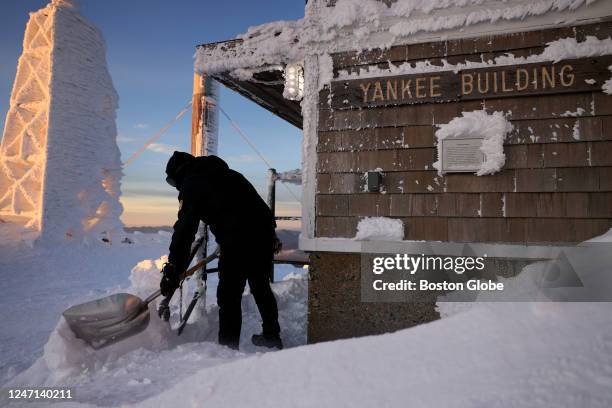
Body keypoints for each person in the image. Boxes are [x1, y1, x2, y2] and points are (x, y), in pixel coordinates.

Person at [159, 151, 283, 350]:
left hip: (238, 242)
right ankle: (272, 335)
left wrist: (173, 268)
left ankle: (227, 349)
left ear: (179, 173)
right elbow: (258, 207)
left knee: (229, 296)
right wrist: (270, 236)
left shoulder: (192, 184)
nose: (176, 187)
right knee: (261, 287)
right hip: (262, 237)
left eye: (172, 182)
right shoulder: (229, 174)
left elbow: (184, 230)